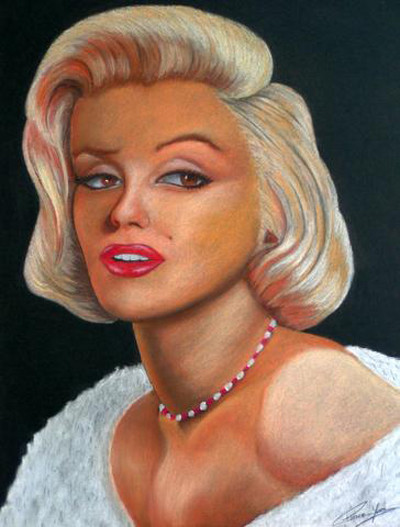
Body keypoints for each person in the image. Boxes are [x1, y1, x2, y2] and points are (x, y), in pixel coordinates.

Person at [1, 5, 400, 526]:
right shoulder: (82, 438)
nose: (124, 211)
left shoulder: (342, 419)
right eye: (98, 178)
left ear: (275, 203)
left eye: (184, 177)